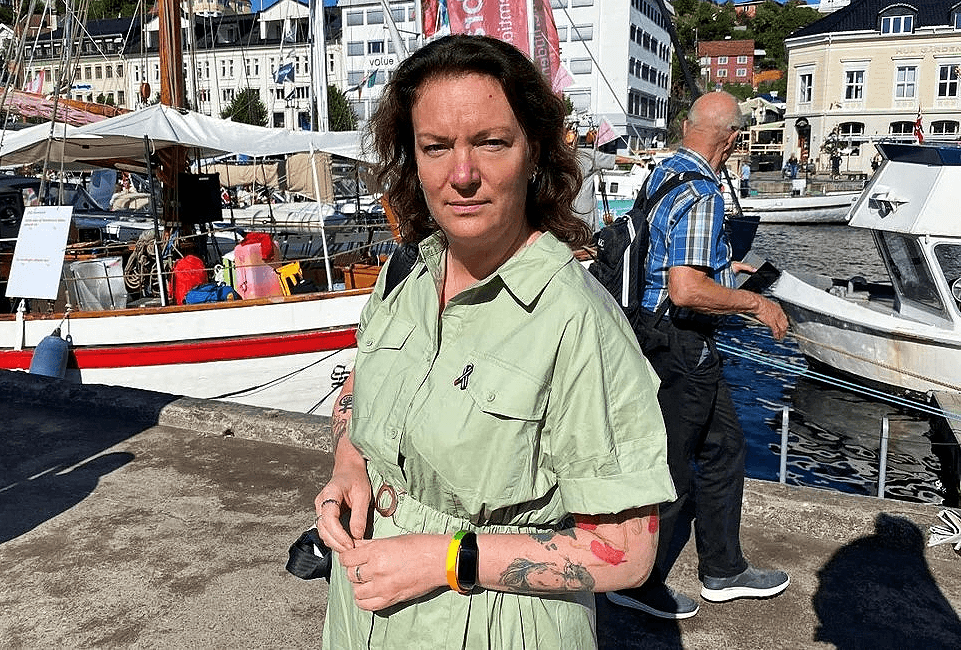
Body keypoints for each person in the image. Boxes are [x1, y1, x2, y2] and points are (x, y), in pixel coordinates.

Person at [314, 34, 675, 648]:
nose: (462, 175)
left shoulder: (576, 321)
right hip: (361, 615)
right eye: (436, 147)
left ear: (534, 154)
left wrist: (445, 559)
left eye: (491, 143)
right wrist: (349, 466)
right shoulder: (405, 277)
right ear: (413, 160)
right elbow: (359, 390)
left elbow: (626, 553)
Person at [605, 91, 790, 620]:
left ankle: (724, 569)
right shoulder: (704, 192)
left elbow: (665, 258)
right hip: (681, 344)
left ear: (687, 127)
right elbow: (686, 289)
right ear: (732, 140)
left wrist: (729, 270)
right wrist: (756, 303)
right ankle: (636, 580)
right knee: (673, 466)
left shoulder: (662, 175)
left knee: (724, 448)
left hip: (649, 333)